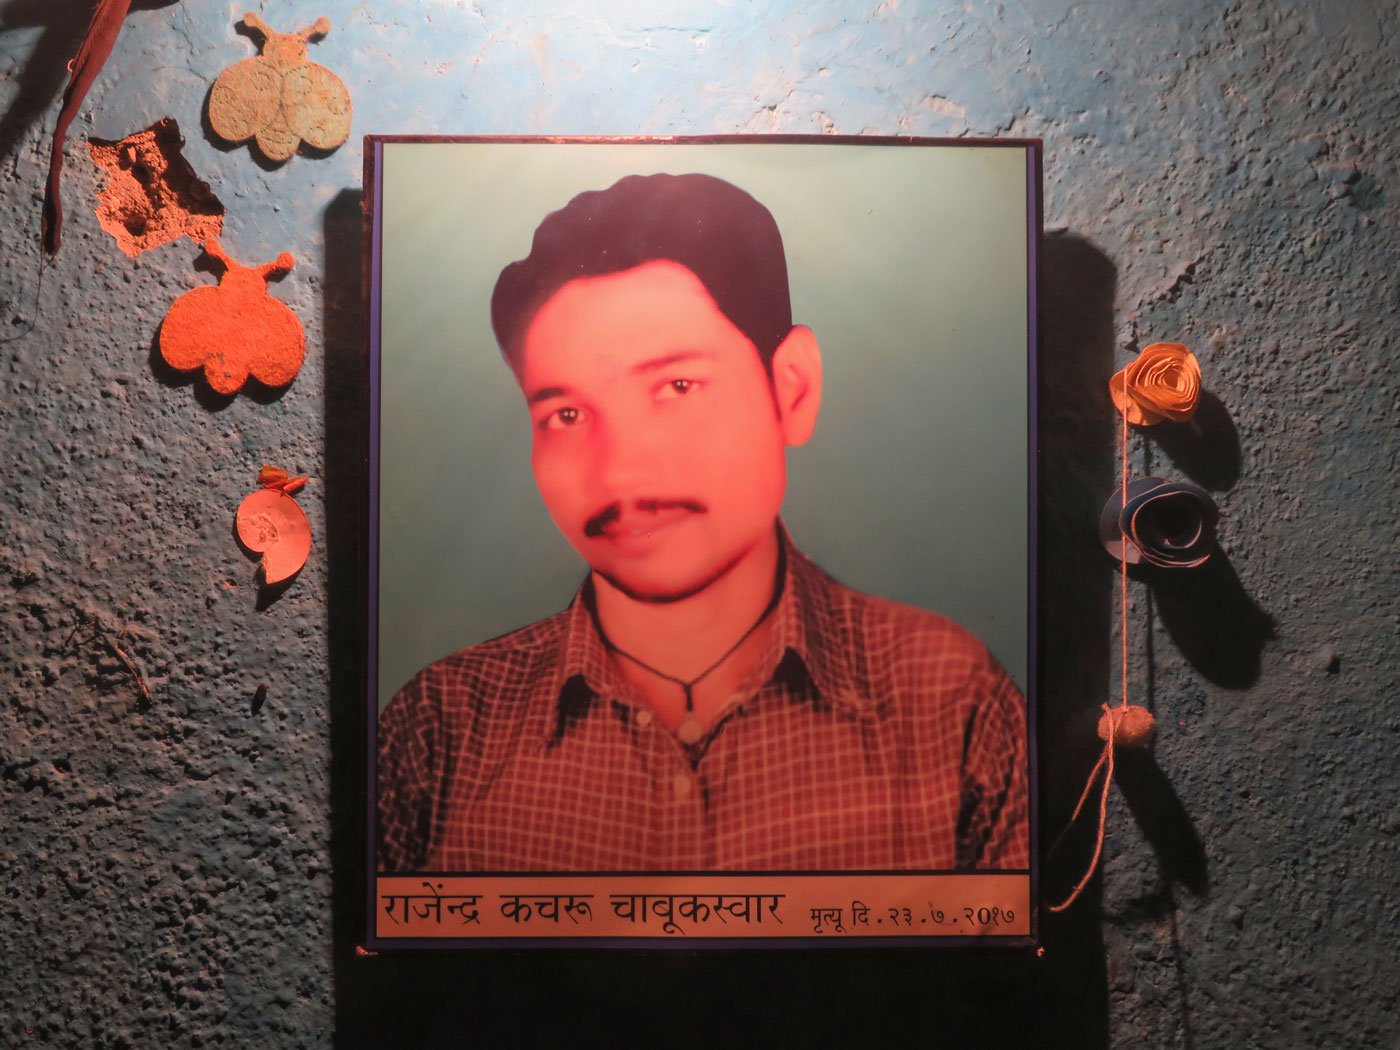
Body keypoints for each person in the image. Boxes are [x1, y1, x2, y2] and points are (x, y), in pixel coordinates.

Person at [376, 172, 1027, 873]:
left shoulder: (946, 698)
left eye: (676, 388)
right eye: (565, 416)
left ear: (792, 390)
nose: (619, 472)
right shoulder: (440, 729)